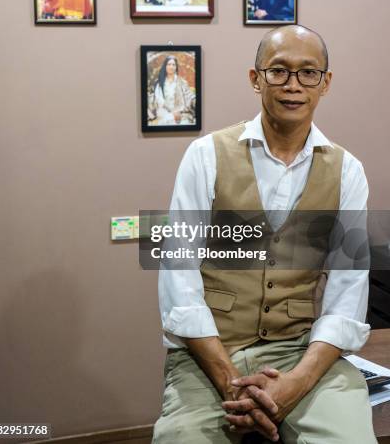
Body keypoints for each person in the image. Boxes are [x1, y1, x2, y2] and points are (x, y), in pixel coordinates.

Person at [152, 25, 376, 443]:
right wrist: (231, 382)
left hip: (299, 352)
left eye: (308, 72)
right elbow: (178, 279)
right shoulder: (205, 156)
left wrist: (296, 384)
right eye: (278, 71)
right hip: (211, 353)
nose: (293, 85)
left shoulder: (348, 171)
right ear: (256, 79)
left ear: (325, 83)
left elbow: (348, 292)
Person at [150, 56, 195, 125]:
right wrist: (173, 113)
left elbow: (189, 97)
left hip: (181, 114)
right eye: (169, 64)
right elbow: (160, 101)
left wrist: (179, 111)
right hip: (164, 113)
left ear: (176, 67)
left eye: (173, 65)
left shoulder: (182, 82)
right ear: (165, 66)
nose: (171, 67)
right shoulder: (159, 83)